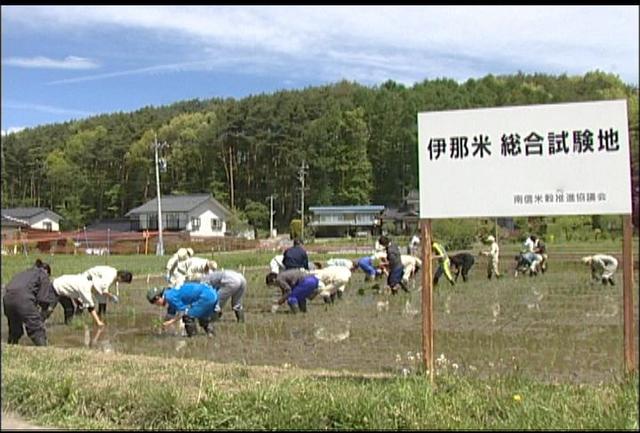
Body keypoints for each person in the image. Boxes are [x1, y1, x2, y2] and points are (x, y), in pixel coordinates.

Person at [2, 259, 55, 346]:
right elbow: (43, 299)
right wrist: (43, 314)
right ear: (47, 271)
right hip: (23, 299)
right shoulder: (43, 275)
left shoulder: (24, 272)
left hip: (7, 299)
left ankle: (11, 345)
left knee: (15, 331)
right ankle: (44, 350)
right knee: (37, 329)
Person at [146, 281, 218, 337]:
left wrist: (171, 322)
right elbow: (171, 312)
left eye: (156, 303)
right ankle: (211, 334)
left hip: (206, 297)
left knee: (188, 316)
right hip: (212, 294)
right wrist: (162, 324)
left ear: (158, 298)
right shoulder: (170, 293)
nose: (158, 306)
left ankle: (192, 337)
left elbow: (183, 311)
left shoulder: (170, 297)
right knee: (200, 314)